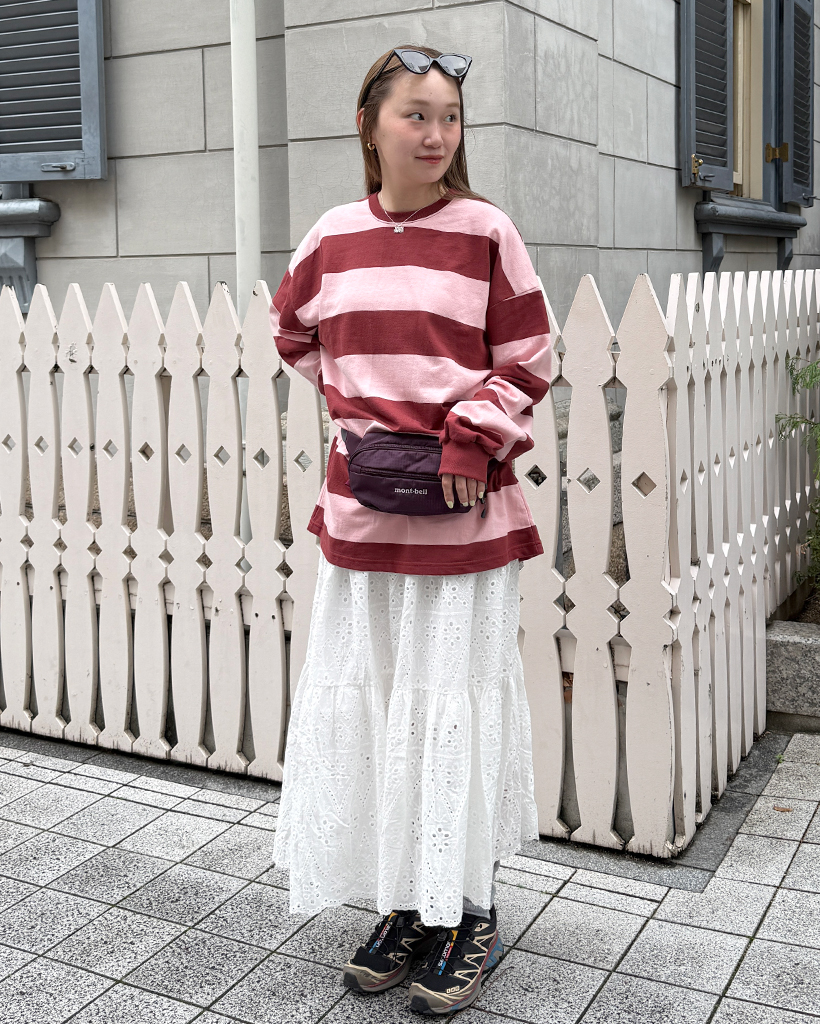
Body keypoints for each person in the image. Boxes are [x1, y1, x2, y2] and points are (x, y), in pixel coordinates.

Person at [270, 44, 551, 1016]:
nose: (436, 135)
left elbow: (529, 354)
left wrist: (469, 435)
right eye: (416, 115)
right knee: (387, 711)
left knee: (450, 712)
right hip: (364, 516)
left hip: (463, 522)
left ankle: (467, 912)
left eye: (449, 117)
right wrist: (365, 422)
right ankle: (406, 903)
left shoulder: (485, 232)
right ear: (369, 125)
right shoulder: (332, 235)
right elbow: (292, 332)